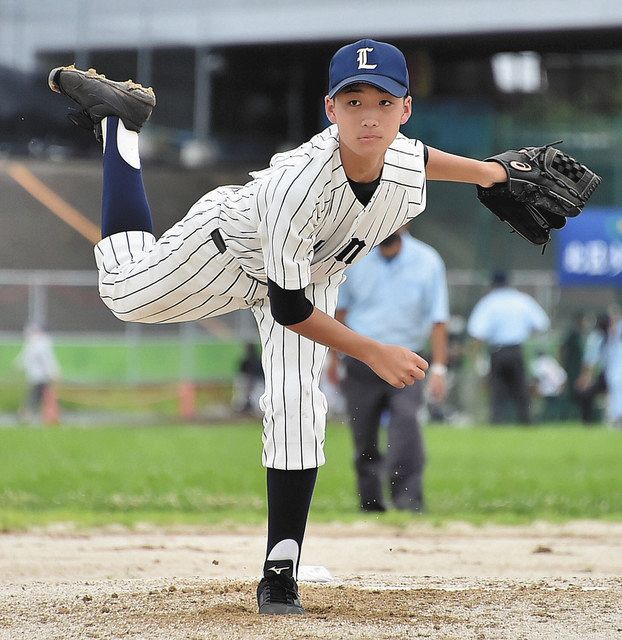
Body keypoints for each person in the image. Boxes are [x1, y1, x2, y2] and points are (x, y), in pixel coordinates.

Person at [48, 39, 509, 615]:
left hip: (309, 276)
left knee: (297, 404)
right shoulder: (299, 186)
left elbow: (422, 161)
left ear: (405, 111)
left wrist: (492, 174)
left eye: (385, 103)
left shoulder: (402, 164)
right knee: (123, 292)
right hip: (229, 251)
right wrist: (371, 351)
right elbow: (288, 308)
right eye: (354, 100)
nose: (370, 116)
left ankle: (280, 569)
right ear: (330, 108)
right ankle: (119, 126)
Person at [327, 229, 448, 513]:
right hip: (361, 360)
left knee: (406, 426)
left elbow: (438, 319)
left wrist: (440, 368)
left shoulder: (427, 260)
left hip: (407, 361)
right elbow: (340, 313)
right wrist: (334, 360)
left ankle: (408, 501)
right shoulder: (353, 259)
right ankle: (370, 504)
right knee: (363, 435)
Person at [467, 271, 550, 424]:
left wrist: (475, 353)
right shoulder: (522, 299)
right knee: (520, 389)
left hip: (497, 351)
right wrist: (523, 331)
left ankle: (497, 422)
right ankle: (526, 422)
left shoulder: (489, 302)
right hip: (516, 350)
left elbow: (477, 332)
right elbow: (541, 324)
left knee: (497, 391)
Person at [15, 323, 60, 423]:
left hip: (39, 376)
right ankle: (29, 414)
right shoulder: (38, 344)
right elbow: (46, 360)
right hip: (40, 377)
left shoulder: (37, 344)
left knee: (36, 396)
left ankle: (27, 414)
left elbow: (26, 359)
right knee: (38, 396)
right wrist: (53, 373)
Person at [575, 313, 610, 425]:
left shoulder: (615, 337)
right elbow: (590, 361)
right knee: (585, 392)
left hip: (614, 373)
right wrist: (586, 379)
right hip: (605, 374)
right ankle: (587, 421)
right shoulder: (597, 338)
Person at [530, 350, 567, 422]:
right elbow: (564, 377)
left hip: (545, 391)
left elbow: (536, 380)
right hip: (558, 390)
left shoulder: (539, 363)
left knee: (533, 395)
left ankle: (536, 417)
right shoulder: (553, 362)